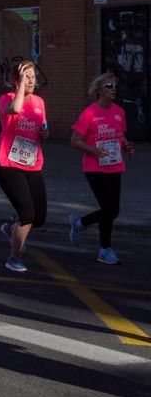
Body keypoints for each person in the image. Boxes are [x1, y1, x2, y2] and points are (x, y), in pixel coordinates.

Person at [68, 73, 135, 264]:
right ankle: (105, 250)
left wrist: (127, 146)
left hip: (115, 165)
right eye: (109, 86)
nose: (113, 89)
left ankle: (80, 223)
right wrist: (93, 150)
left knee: (113, 211)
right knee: (108, 208)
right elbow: (74, 141)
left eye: (115, 85)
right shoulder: (89, 113)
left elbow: (119, 135)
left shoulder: (119, 112)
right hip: (94, 167)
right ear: (99, 90)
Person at [0, 61, 49, 272]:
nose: (31, 80)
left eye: (33, 76)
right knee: (27, 213)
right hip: (8, 165)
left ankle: (11, 229)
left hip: (32, 164)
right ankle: (14, 257)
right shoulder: (5, 99)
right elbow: (16, 109)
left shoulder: (39, 102)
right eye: (26, 76)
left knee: (40, 217)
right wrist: (19, 87)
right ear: (15, 81)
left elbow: (43, 128)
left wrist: (45, 134)